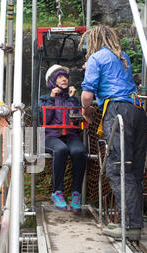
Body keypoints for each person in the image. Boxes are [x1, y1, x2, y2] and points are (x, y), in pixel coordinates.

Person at [79, 24, 147, 241]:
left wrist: (87, 111)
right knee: (133, 169)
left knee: (117, 168)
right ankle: (134, 223)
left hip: (118, 112)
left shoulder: (96, 59)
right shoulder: (122, 56)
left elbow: (87, 94)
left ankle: (129, 227)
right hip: (137, 110)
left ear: (95, 40)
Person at [39, 64, 87, 213]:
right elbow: (44, 119)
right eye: (60, 77)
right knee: (61, 149)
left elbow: (78, 119)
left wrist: (74, 100)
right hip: (51, 136)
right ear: (53, 81)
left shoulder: (72, 98)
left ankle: (76, 193)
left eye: (65, 77)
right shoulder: (45, 99)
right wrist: (52, 98)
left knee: (79, 151)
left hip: (71, 135)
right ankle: (57, 192)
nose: (64, 79)